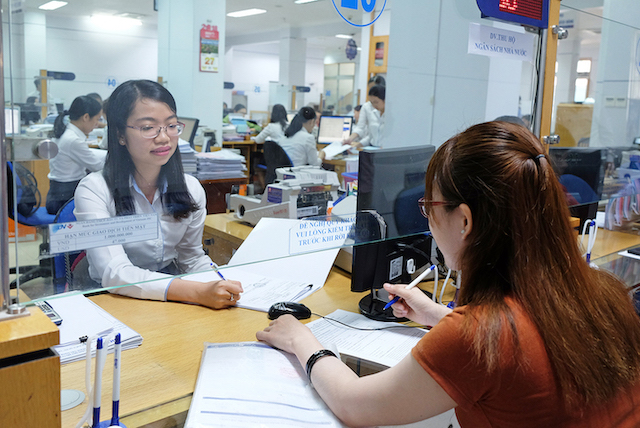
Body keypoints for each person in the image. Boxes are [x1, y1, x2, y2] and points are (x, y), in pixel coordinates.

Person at [257, 121, 640, 427]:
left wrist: (301, 340)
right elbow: (529, 340)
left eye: (430, 206)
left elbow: (354, 404)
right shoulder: (604, 292)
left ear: (465, 221)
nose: (428, 218)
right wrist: (438, 315)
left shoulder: (479, 336)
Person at [74, 80, 243, 309]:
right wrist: (197, 291)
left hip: (171, 294)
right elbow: (115, 272)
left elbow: (191, 257)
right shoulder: (94, 189)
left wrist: (220, 283)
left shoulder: (190, 188)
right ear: (120, 134)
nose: (164, 138)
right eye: (148, 127)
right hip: (111, 297)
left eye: (171, 125)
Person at [46, 95, 105, 214]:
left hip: (56, 195)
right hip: (65, 199)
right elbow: (98, 167)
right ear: (86, 117)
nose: (97, 124)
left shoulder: (66, 132)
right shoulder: (74, 140)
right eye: (97, 119)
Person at [343, 75, 385, 147]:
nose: (373, 91)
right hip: (372, 147)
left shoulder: (391, 111)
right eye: (370, 88)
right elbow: (362, 129)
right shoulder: (367, 106)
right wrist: (351, 139)